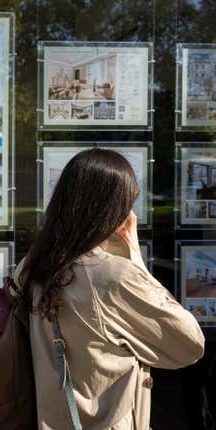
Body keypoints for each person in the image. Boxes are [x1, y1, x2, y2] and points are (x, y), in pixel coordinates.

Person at [14, 148, 205, 430]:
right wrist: (136, 261)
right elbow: (189, 344)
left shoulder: (31, 266)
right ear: (109, 208)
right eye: (128, 202)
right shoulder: (113, 276)